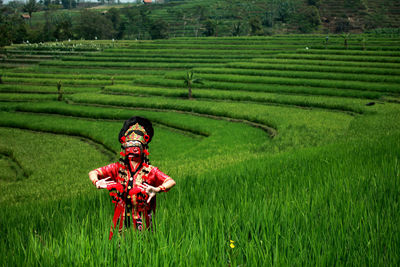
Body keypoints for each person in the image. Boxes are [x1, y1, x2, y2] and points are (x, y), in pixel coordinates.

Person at [88, 116, 176, 239]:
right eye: (129, 146)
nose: (132, 150)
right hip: (120, 220)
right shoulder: (117, 168)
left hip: (142, 220)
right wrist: (96, 182)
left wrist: (157, 189)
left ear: (143, 148)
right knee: (118, 248)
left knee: (143, 248)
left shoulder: (151, 171)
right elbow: (93, 173)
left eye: (135, 146)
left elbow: (170, 181)